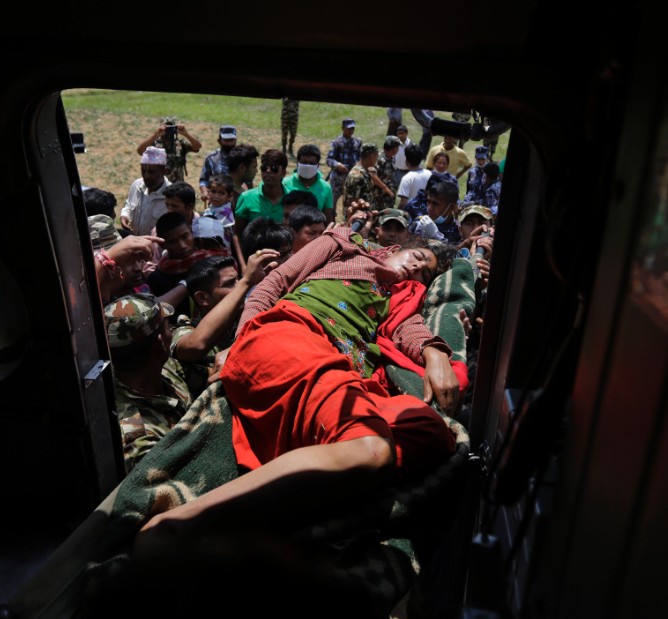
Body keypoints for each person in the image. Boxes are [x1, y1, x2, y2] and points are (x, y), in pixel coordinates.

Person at [136, 226, 462, 546]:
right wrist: (240, 342)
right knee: (373, 449)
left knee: (430, 432)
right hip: (291, 336)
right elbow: (273, 284)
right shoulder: (343, 245)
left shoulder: (402, 296)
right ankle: (181, 524)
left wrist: (435, 354)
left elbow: (410, 328)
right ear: (394, 249)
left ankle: (307, 484)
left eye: (425, 274)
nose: (417, 268)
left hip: (342, 374)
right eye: (418, 257)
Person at [170, 250, 279, 398]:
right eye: (229, 284)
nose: (238, 287)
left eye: (238, 280)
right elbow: (195, 345)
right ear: (202, 298)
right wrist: (246, 281)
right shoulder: (184, 329)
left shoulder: (247, 316)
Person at [105, 293, 191, 473]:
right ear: (160, 343)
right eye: (169, 328)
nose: (173, 331)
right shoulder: (137, 436)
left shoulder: (161, 367)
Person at [234, 149, 288, 237]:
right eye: (264, 168)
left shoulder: (292, 199)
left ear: (283, 173)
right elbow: (238, 234)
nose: (268, 171)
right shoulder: (246, 198)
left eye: (274, 168)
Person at [121, 146, 171, 236]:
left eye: (151, 172)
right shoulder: (136, 185)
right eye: (143, 171)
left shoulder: (171, 195)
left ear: (164, 171)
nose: (146, 176)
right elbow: (129, 205)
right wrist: (125, 215)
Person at [136, 116, 202, 183]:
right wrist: (155, 135)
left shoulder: (180, 144)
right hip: (158, 185)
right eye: (166, 128)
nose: (168, 131)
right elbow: (140, 151)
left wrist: (186, 134)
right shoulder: (155, 144)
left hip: (176, 184)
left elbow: (197, 146)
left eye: (171, 128)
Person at [282, 144, 335, 224]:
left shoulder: (325, 187)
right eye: (304, 162)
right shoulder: (285, 183)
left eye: (311, 163)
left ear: (317, 165)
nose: (308, 166)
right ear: (297, 163)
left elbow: (328, 217)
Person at [326, 118, 362, 216]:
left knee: (351, 203)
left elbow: (360, 158)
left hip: (352, 178)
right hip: (338, 178)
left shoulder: (358, 142)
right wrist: (338, 165)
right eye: (348, 128)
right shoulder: (336, 142)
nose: (351, 131)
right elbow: (329, 160)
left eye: (352, 129)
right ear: (342, 128)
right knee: (331, 202)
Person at [410, 179, 462, 244]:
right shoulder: (419, 224)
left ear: (451, 207)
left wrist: (437, 236)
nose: (429, 208)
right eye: (428, 202)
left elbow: (455, 252)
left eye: (435, 204)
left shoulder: (459, 229)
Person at [198, 125, 238, 203]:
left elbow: (248, 181)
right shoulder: (211, 158)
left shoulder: (242, 158)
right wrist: (205, 192)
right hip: (216, 202)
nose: (229, 143)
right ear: (219, 141)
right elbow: (204, 180)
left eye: (231, 140)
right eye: (226, 140)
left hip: (237, 202)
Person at [396, 144, 432, 208]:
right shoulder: (430, 174)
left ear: (406, 161)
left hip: (412, 215)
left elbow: (403, 203)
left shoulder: (407, 178)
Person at [376, 136, 400, 211]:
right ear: (393, 149)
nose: (398, 149)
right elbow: (374, 177)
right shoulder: (381, 160)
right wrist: (386, 189)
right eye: (397, 147)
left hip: (388, 197)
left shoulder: (390, 158)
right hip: (381, 197)